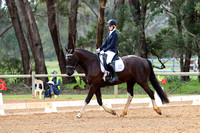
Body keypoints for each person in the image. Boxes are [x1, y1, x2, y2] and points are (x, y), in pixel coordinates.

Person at [96, 19, 118, 83]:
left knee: (108, 62)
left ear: (114, 26)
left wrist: (104, 50)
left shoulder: (115, 34)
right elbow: (105, 43)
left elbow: (112, 45)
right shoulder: (109, 33)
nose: (109, 27)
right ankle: (107, 74)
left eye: (110, 26)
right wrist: (100, 48)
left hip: (112, 51)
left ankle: (114, 76)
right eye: (109, 26)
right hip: (108, 50)